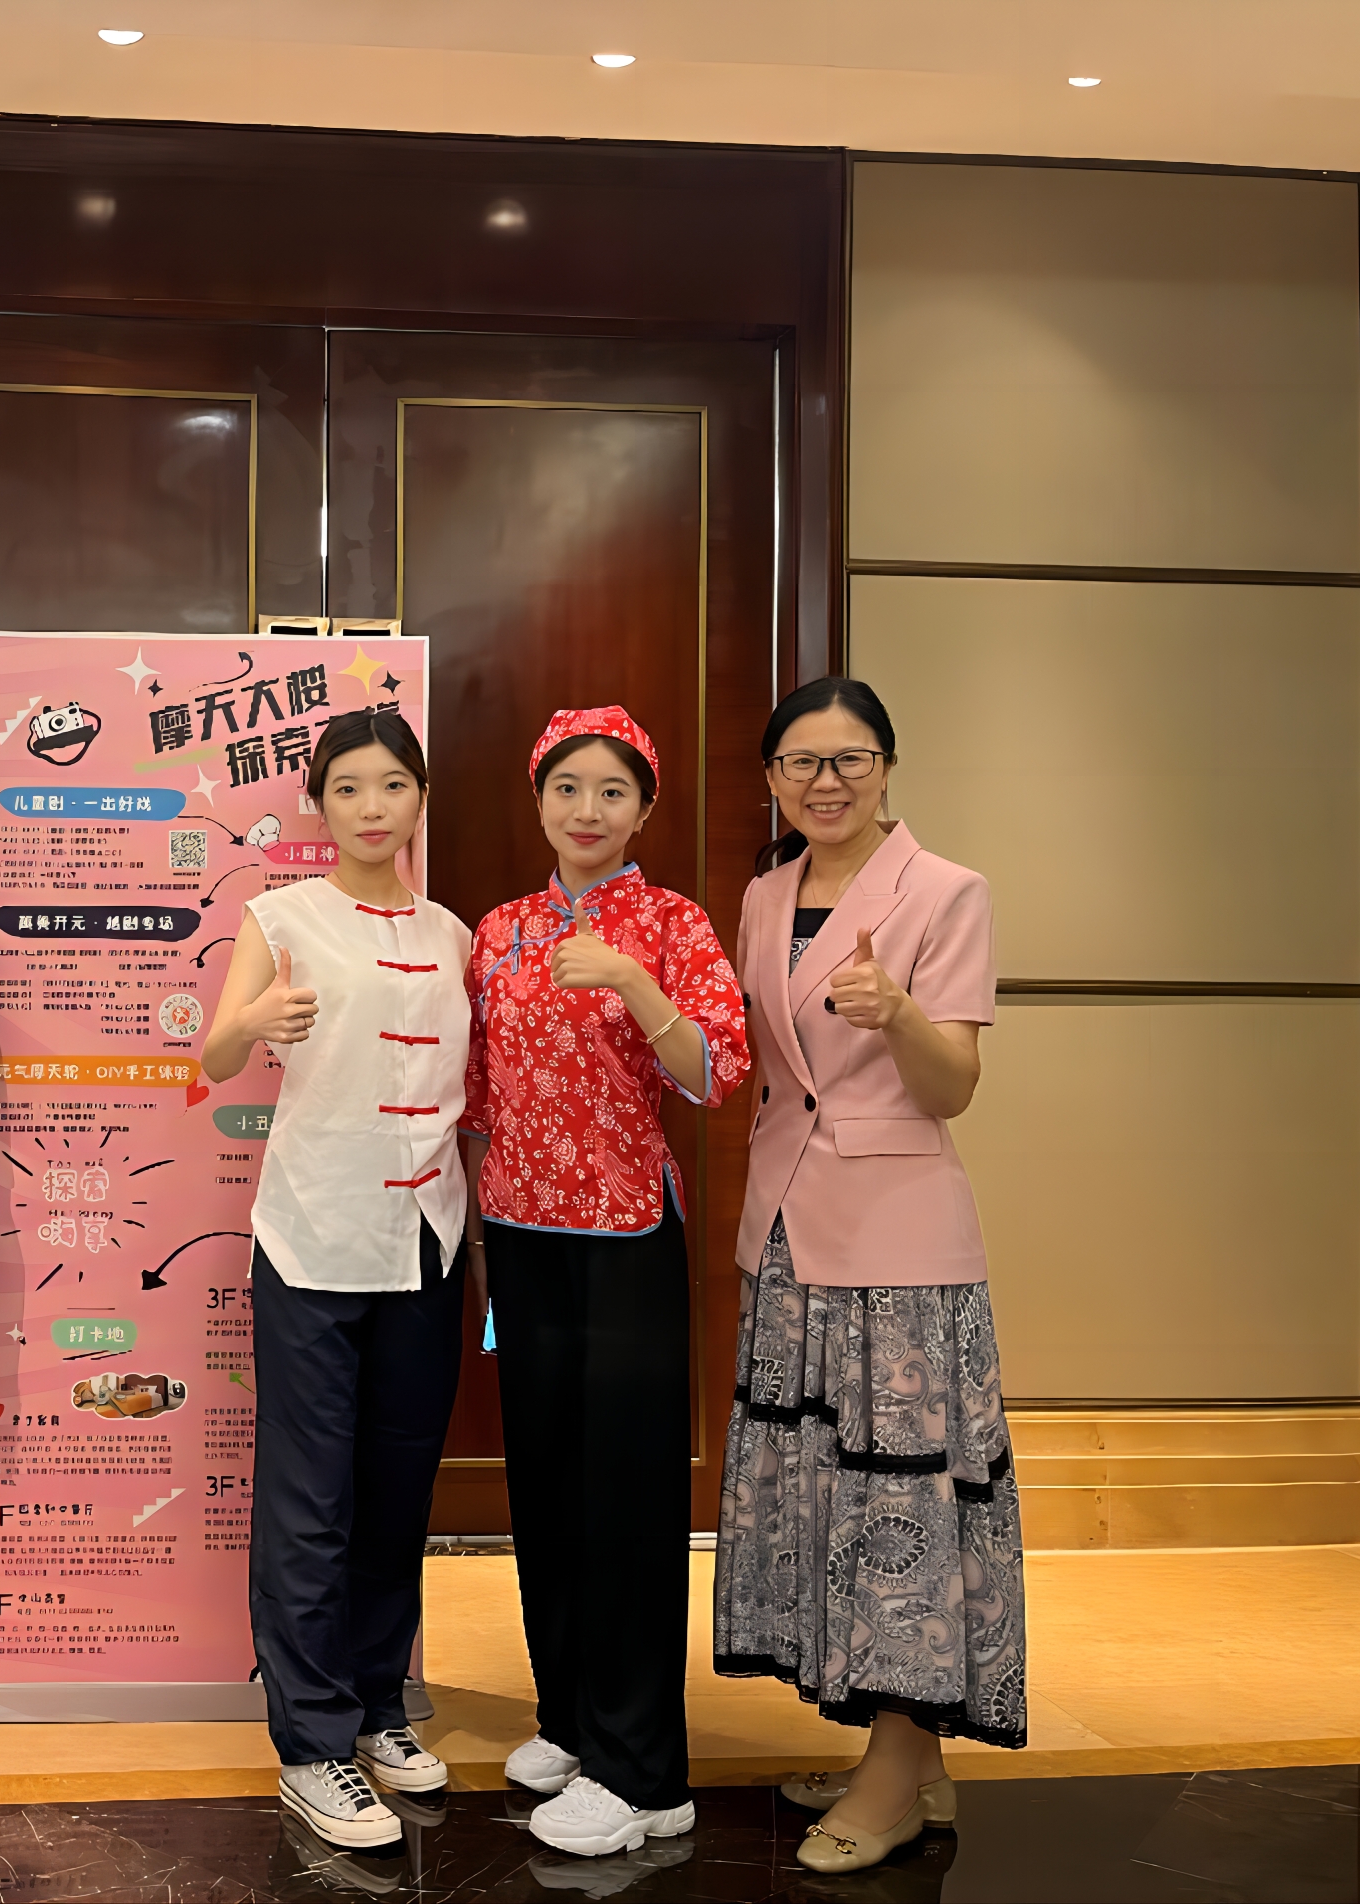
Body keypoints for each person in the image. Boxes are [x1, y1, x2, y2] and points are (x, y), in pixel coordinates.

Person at [713, 675, 1026, 1874]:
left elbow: (952, 1087)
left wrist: (897, 1010)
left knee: (902, 1501)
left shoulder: (946, 890)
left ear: (888, 765)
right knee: (825, 1492)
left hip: (900, 1243)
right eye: (800, 761)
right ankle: (912, 1754)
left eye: (850, 758)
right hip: (788, 1226)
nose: (826, 781)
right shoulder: (765, 893)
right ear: (773, 779)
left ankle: (893, 1775)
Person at [460, 706, 750, 1859]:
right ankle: (572, 1718)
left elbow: (715, 1071)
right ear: (538, 798)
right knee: (546, 1483)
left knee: (627, 1495)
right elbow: (477, 1093)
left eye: (612, 790)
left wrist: (635, 980)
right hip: (520, 1235)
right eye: (568, 786)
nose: (588, 808)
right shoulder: (500, 930)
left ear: (644, 808)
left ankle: (644, 1771)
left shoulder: (672, 923)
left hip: (628, 1235)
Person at [201, 705, 471, 1852]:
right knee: (309, 1496)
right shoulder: (280, 914)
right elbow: (215, 1054)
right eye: (349, 786)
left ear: (419, 798)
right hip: (312, 1238)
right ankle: (312, 1742)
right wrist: (257, 1016)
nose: (372, 806)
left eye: (392, 785)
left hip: (427, 1237)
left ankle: (374, 1704)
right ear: (318, 801)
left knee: (397, 1491)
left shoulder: (453, 932)